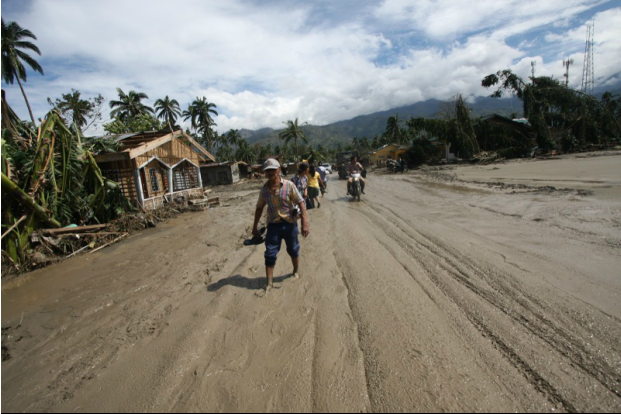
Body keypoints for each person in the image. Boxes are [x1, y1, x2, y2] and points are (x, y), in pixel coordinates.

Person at [253, 159, 310, 294]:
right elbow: (259, 208)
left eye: (273, 169)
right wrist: (254, 226)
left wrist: (305, 223)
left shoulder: (289, 185)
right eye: (268, 170)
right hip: (273, 226)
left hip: (290, 224)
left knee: (293, 250)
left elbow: (301, 202)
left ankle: (295, 271)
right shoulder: (264, 190)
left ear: (279, 170)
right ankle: (269, 284)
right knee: (270, 254)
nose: (271, 172)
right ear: (265, 173)